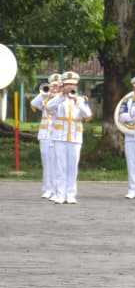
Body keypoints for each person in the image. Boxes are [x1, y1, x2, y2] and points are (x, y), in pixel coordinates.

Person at [46, 71, 91, 204]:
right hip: (60, 137)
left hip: (75, 138)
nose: (70, 87)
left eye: (73, 84)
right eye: (67, 84)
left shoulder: (81, 100)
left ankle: (70, 195)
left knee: (73, 167)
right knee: (60, 167)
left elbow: (88, 114)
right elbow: (48, 107)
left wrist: (77, 100)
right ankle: (60, 194)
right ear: (63, 85)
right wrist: (61, 95)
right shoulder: (58, 99)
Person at [31, 73, 61, 200]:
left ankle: (56, 189)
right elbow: (34, 103)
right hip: (44, 135)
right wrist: (45, 93)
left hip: (57, 135)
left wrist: (56, 96)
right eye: (52, 86)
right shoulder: (45, 99)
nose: (54, 88)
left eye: (57, 86)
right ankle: (47, 188)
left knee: (56, 163)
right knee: (46, 163)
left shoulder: (62, 99)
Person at [115, 76, 135, 199]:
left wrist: (131, 116)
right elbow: (122, 117)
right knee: (131, 163)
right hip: (130, 135)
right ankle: (133, 189)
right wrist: (134, 117)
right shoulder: (127, 101)